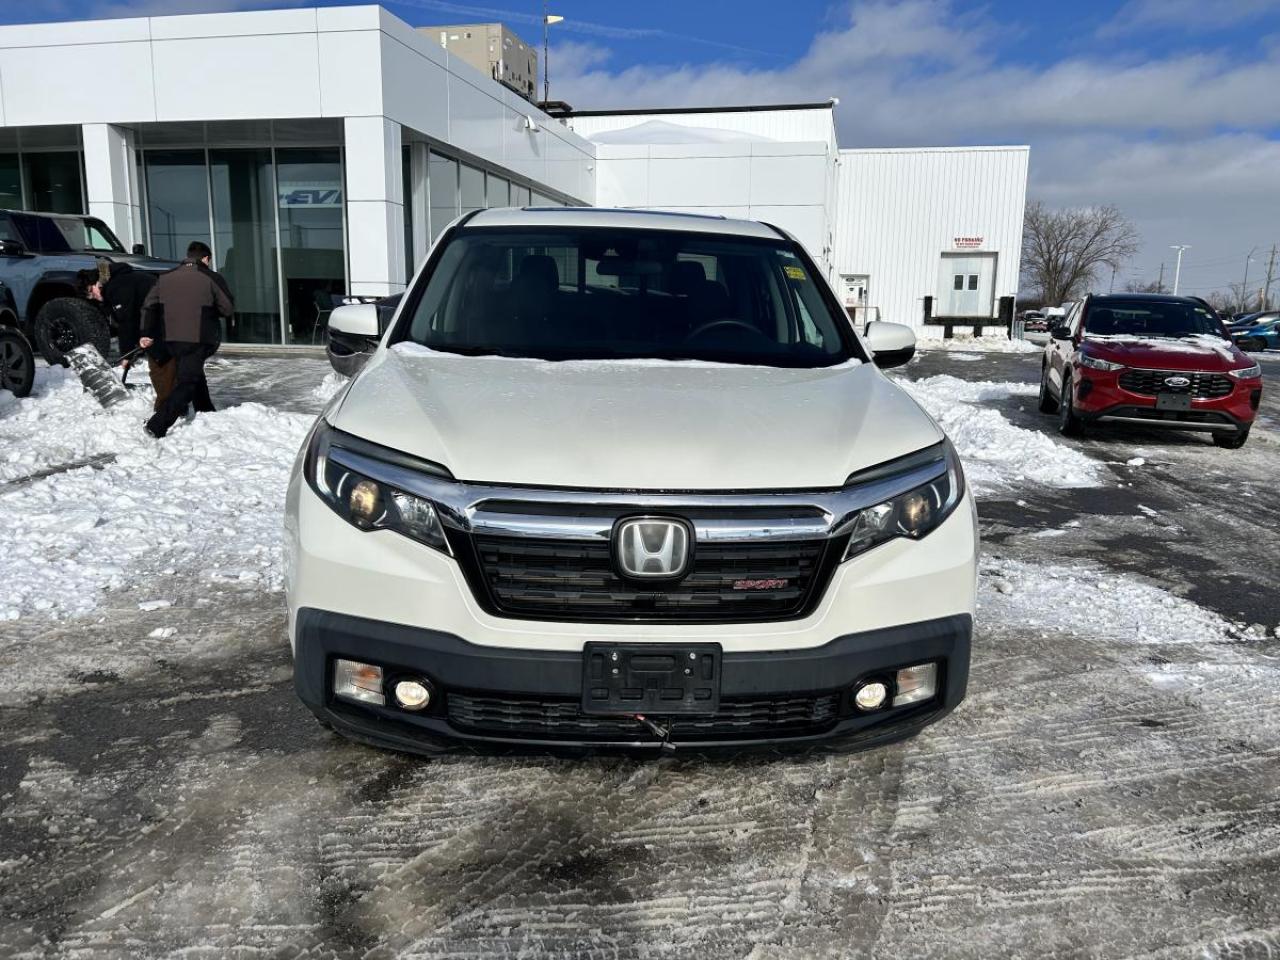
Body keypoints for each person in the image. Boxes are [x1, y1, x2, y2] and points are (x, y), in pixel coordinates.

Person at [139, 241, 233, 438]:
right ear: (206, 258)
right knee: (187, 382)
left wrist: (146, 332)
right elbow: (227, 308)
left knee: (194, 373)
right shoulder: (211, 277)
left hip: (171, 338)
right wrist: (209, 310)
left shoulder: (165, 277)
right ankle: (158, 424)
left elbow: (148, 305)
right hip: (197, 338)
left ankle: (206, 411)